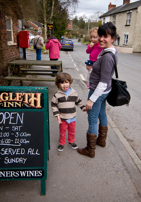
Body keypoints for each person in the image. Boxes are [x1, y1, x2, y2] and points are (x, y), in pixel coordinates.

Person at [77, 22, 118, 158]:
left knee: (93, 118)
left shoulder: (106, 56)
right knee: (102, 114)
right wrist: (94, 68)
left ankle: (90, 150)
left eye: (105, 36)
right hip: (105, 91)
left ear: (112, 38)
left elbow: (103, 81)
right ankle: (101, 141)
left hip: (98, 91)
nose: (101, 39)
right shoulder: (110, 51)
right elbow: (105, 75)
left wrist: (91, 99)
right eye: (100, 35)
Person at [51, 72, 86, 152]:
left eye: (66, 82)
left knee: (72, 131)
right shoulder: (57, 95)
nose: (65, 85)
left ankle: (71, 141)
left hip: (72, 117)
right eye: (62, 83)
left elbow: (78, 101)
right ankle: (61, 143)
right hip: (63, 118)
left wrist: (83, 108)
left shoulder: (74, 93)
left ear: (70, 82)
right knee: (62, 132)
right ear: (58, 84)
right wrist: (57, 115)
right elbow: (53, 105)